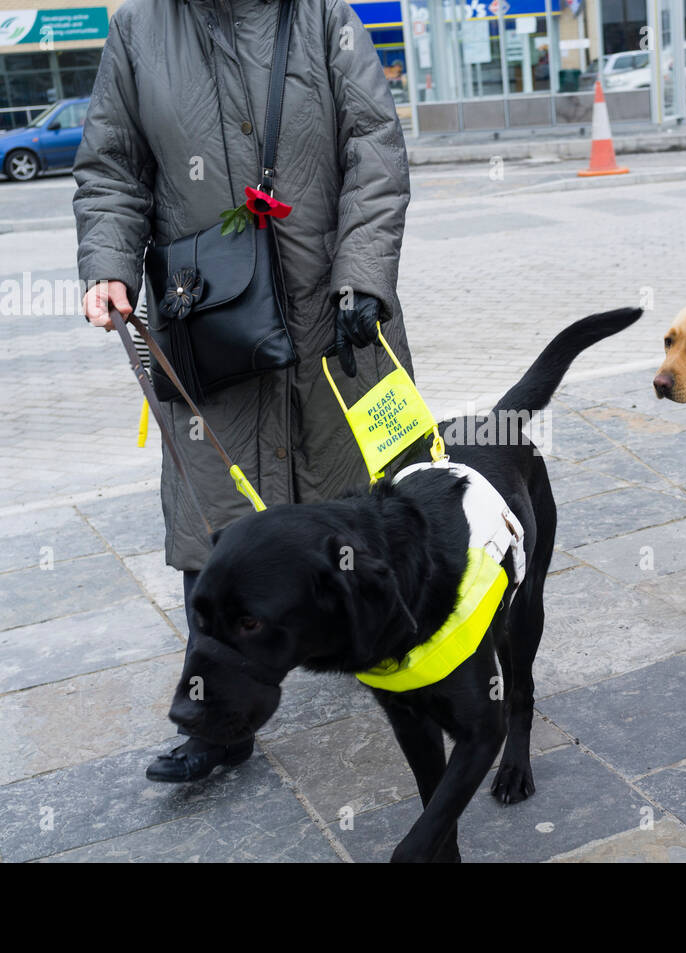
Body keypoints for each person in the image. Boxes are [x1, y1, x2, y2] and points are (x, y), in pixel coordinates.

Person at [74, 0, 412, 782]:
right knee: (216, 539)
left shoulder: (323, 14)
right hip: (209, 324)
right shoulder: (139, 30)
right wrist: (109, 264)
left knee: (361, 504)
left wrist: (363, 275)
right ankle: (216, 724)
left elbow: (376, 146)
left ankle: (404, 663)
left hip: (336, 317)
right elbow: (112, 168)